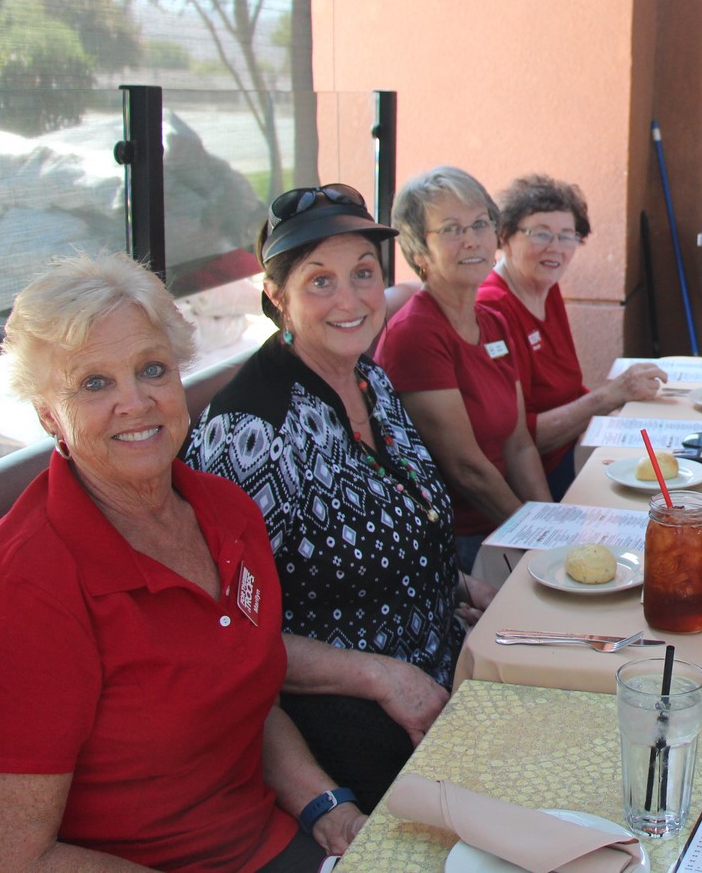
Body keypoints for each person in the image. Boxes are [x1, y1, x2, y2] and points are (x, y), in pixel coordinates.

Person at [0, 253, 364, 872]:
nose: (135, 402)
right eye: (94, 383)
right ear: (49, 415)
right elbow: (2, 860)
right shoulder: (12, 591)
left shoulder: (226, 513)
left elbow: (245, 701)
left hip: (267, 843)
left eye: (151, 369)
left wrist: (328, 808)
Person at [185, 184, 488, 808]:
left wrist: (463, 588)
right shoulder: (250, 431)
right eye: (320, 281)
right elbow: (225, 629)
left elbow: (398, 521)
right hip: (343, 720)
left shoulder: (370, 379)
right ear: (278, 297)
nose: (349, 300)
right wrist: (378, 677)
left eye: (364, 274)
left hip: (441, 669)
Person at [377, 167, 552, 572]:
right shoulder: (415, 335)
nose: (472, 240)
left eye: (480, 224)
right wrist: (537, 541)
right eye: (452, 229)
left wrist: (550, 522)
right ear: (420, 251)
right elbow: (467, 469)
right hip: (455, 544)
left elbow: (519, 443)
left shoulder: (493, 321)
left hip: (504, 523)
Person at [478, 174, 667, 497]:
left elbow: (565, 389)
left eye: (567, 236)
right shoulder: (492, 309)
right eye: (541, 234)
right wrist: (609, 396)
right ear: (505, 236)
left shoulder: (545, 289)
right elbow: (518, 438)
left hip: (565, 457)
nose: (556, 248)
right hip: (526, 481)